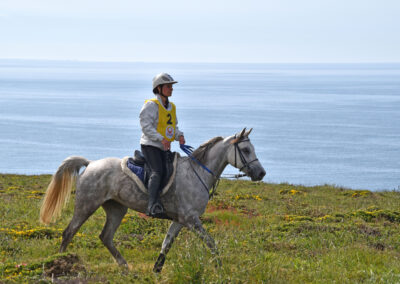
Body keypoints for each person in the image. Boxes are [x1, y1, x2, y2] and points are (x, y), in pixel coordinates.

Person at [139, 73, 185, 217]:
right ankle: (151, 205)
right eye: (168, 86)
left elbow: (172, 127)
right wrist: (161, 139)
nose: (171, 89)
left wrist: (179, 135)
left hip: (164, 147)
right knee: (157, 171)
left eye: (172, 86)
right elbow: (145, 126)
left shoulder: (171, 107)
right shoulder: (151, 105)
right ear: (159, 88)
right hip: (150, 145)